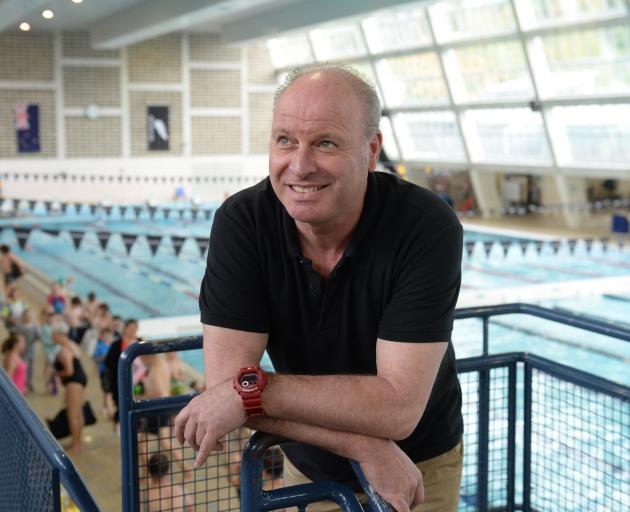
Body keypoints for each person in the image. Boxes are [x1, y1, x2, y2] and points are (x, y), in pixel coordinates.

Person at [174, 64, 464, 512]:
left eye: (325, 143)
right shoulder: (243, 223)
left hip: (418, 463)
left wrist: (251, 391)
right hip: (310, 463)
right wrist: (363, 446)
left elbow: (399, 409)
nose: (300, 165)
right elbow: (222, 385)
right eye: (285, 140)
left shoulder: (424, 227)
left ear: (371, 151)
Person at [13, 308, 41, 393]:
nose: (29, 317)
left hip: (32, 350)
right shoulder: (19, 327)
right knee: (23, 367)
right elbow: (14, 337)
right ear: (23, 317)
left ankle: (29, 383)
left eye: (31, 316)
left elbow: (38, 337)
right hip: (22, 351)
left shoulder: (34, 326)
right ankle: (23, 384)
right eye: (27, 316)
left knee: (31, 368)